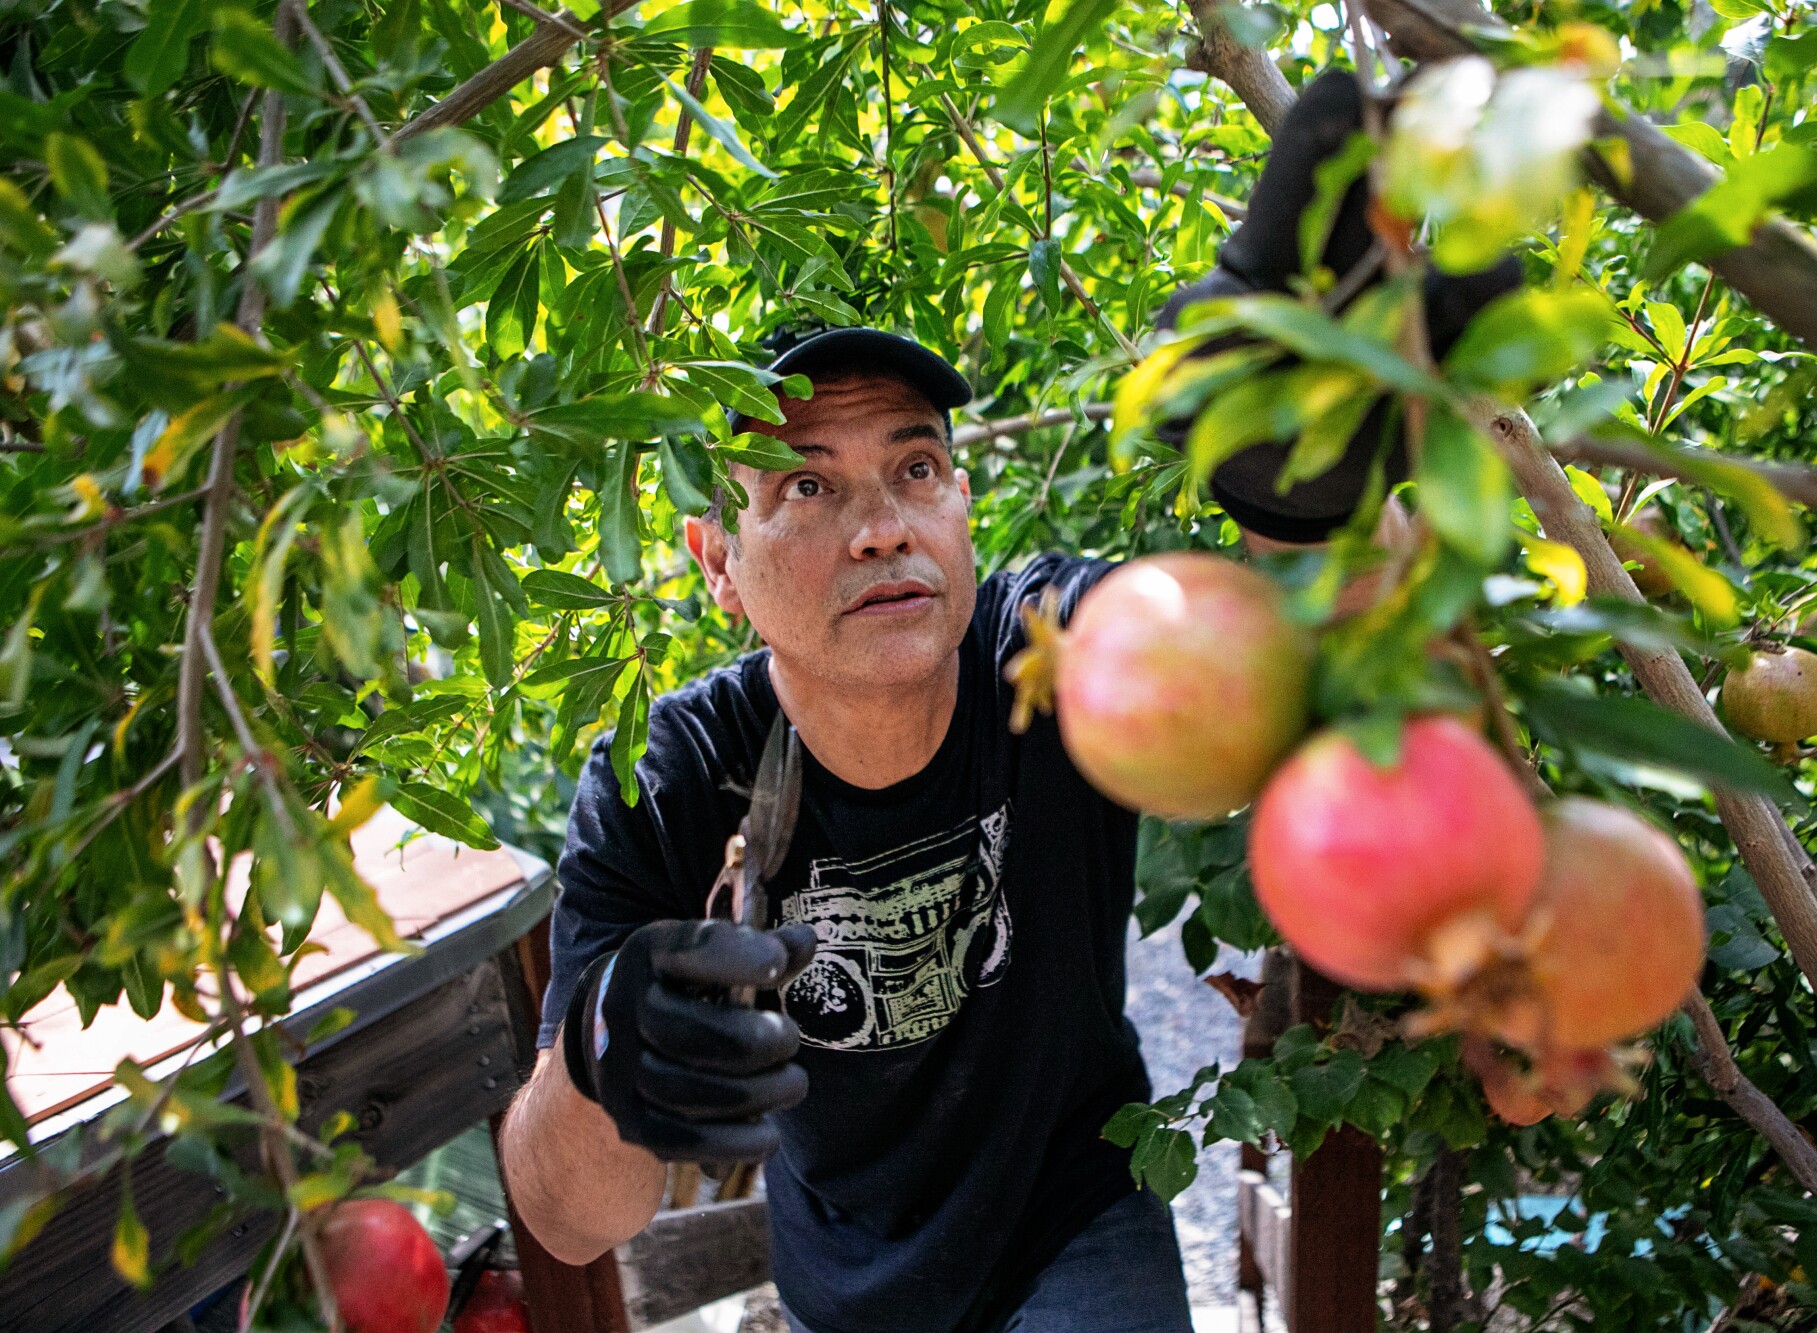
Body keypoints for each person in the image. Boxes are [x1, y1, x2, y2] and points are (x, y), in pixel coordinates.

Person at [497, 69, 1517, 1333]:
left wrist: (1302, 507)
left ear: (962, 508)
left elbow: (1276, 671)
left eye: (915, 467)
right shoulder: (670, 773)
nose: (880, 529)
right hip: (847, 1282)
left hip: (1075, 1229)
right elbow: (566, 1216)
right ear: (716, 561)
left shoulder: (1040, 648)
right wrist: (605, 1055)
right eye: (805, 489)